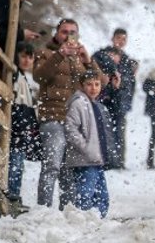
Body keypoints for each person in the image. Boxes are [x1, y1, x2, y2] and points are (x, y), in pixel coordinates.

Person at [34, 18, 104, 208]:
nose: (68, 36)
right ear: (57, 33)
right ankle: (44, 211)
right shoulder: (45, 53)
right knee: (52, 167)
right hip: (53, 118)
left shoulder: (81, 59)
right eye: (64, 32)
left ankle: (67, 212)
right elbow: (39, 77)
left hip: (75, 122)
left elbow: (100, 84)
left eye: (72, 32)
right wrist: (59, 55)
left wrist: (89, 62)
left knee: (70, 170)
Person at [64, 70, 117, 218]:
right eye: (89, 84)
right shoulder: (78, 103)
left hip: (96, 159)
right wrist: (85, 148)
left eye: (97, 84)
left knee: (102, 196)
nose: (93, 88)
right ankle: (82, 220)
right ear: (81, 86)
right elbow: (70, 129)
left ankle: (96, 221)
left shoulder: (95, 105)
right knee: (85, 193)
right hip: (85, 159)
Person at [93, 28, 138, 168]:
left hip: (119, 102)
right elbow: (93, 71)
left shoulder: (127, 61)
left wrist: (127, 101)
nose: (121, 41)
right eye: (118, 38)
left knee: (119, 133)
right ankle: (103, 160)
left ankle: (118, 162)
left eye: (124, 39)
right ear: (112, 38)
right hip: (103, 99)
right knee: (101, 131)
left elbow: (130, 83)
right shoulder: (101, 55)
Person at [6, 42, 40, 212]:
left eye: (30, 57)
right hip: (15, 130)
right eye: (23, 56)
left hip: (21, 131)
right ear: (16, 56)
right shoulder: (12, 75)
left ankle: (15, 196)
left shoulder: (24, 78)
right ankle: (11, 198)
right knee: (14, 165)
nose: (27, 60)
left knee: (18, 165)